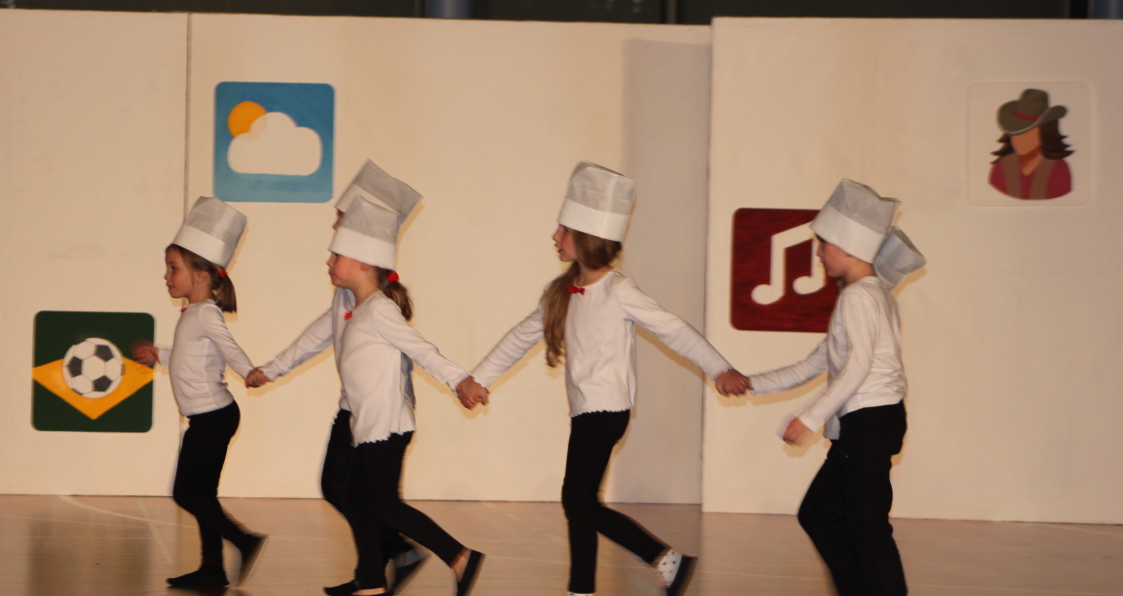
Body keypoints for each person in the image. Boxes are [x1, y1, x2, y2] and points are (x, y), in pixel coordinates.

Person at [456, 162, 746, 596]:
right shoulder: (562, 292)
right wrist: (480, 378)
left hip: (607, 409)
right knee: (581, 501)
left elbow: (674, 329)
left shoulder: (618, 290)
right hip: (586, 411)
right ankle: (667, 562)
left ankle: (587, 587)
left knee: (576, 500)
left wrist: (719, 367)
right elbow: (520, 336)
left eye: (563, 230)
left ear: (587, 238)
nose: (555, 236)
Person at [730, 180, 924, 596]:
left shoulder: (860, 298)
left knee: (868, 529)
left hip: (870, 422)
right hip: (869, 424)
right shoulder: (867, 295)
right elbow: (814, 364)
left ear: (848, 246)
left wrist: (809, 418)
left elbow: (859, 366)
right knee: (820, 515)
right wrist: (751, 383)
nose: (818, 253)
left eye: (823, 244)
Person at [244, 160, 428, 596]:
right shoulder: (348, 290)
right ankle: (387, 559)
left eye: (341, 218)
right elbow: (323, 330)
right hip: (353, 407)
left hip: (377, 413)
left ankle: (383, 566)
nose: (334, 225)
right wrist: (273, 367)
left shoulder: (376, 299)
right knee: (338, 486)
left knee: (363, 493)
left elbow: (415, 352)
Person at [325, 196, 485, 596]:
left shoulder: (380, 310)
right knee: (354, 497)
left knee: (384, 505)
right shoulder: (360, 310)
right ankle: (371, 581)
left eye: (336, 255)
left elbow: (422, 350)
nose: (329, 262)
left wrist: (461, 380)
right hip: (369, 427)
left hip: (388, 427)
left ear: (364, 263)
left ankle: (460, 557)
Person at [132, 196, 266, 590]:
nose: (167, 276)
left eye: (174, 268)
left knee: (186, 493)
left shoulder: (206, 313)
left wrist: (248, 371)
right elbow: (191, 355)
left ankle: (244, 540)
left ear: (202, 275)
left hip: (214, 418)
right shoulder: (193, 313)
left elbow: (228, 347)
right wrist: (159, 354)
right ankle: (211, 568)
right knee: (202, 493)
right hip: (208, 418)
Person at [988, 88, 1074, 200]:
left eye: (1027, 132)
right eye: (1015, 133)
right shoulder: (1001, 168)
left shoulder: (1059, 169)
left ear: (1045, 132)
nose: (1018, 140)